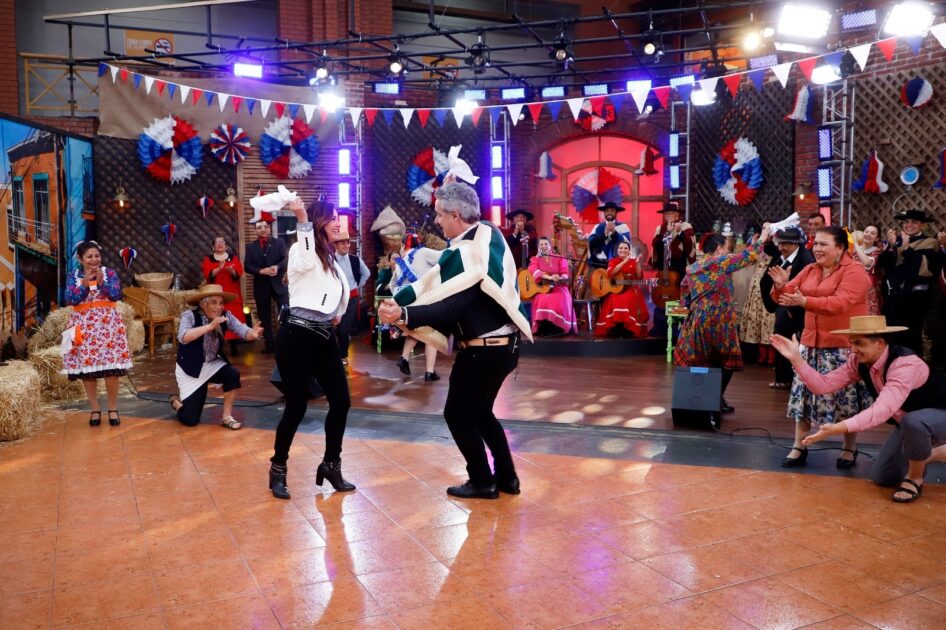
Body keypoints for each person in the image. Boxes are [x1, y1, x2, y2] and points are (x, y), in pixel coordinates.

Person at [378, 177, 533, 500]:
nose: (437, 221)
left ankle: (482, 481)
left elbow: (451, 306)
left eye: (440, 214)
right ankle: (507, 478)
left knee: (457, 415)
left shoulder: (466, 253)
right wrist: (452, 184)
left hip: (482, 352)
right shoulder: (488, 235)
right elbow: (439, 287)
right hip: (505, 348)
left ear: (455, 215)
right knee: (482, 413)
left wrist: (404, 314)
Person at [771, 315, 946, 503]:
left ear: (879, 344)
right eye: (852, 342)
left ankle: (915, 478)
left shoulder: (905, 364)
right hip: (907, 422)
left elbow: (882, 410)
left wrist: (838, 428)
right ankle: (930, 454)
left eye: (859, 343)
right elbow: (824, 385)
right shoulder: (858, 361)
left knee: (914, 422)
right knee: (883, 476)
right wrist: (796, 359)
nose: (853, 349)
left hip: (937, 414)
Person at [268, 197, 354, 500]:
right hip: (297, 336)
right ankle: (278, 467)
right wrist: (301, 217)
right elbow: (305, 261)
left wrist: (337, 311)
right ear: (319, 222)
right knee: (297, 406)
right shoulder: (299, 250)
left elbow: (339, 290)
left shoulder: (330, 257)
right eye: (332, 217)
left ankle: (331, 464)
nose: (337, 222)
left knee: (341, 402)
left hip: (324, 336)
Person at [768, 225, 872, 468]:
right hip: (810, 343)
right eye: (815, 244)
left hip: (842, 345)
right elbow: (786, 296)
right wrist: (782, 285)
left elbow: (840, 303)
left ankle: (849, 448)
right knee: (803, 397)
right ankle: (799, 446)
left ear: (840, 248)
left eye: (824, 244)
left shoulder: (855, 271)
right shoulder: (810, 269)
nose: (817, 249)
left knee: (846, 400)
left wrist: (804, 301)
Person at [673, 226, 772, 414]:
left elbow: (684, 288)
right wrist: (762, 239)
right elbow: (746, 257)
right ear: (718, 248)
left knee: (702, 361)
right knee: (727, 360)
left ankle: (703, 400)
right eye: (726, 248)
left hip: (698, 318)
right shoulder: (720, 262)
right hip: (719, 319)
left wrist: (689, 305)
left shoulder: (693, 267)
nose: (727, 251)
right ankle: (715, 397)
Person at [169, 284, 263, 430]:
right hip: (190, 368)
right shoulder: (189, 315)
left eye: (221, 303)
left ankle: (227, 417)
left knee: (232, 374)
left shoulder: (226, 315)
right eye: (214, 302)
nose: (219, 307)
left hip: (211, 363)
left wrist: (253, 333)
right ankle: (176, 402)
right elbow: (183, 337)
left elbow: (242, 330)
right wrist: (209, 327)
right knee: (190, 419)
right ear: (203, 304)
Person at [61, 241, 133, 427]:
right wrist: (84, 285)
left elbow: (116, 295)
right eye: (89, 256)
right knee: (88, 372)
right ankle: (94, 409)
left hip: (107, 327)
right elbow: (70, 299)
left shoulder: (109, 273)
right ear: (80, 259)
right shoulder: (73, 275)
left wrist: (102, 284)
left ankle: (112, 408)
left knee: (112, 370)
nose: (94, 260)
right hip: (84, 327)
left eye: (96, 256)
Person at [878, 209, 941, 354]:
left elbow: (923, 269)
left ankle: (912, 364)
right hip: (893, 297)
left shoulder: (930, 242)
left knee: (910, 335)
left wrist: (906, 249)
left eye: (914, 222)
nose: (909, 224)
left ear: (923, 225)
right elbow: (883, 264)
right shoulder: (897, 240)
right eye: (906, 222)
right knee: (891, 334)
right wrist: (891, 247)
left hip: (914, 298)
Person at [760, 226, 815, 389]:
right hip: (781, 302)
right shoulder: (781, 255)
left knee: (791, 340)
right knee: (781, 336)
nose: (781, 247)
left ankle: (793, 379)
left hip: (796, 305)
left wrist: (787, 286)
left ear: (796, 244)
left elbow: (807, 286)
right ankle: (782, 378)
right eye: (780, 243)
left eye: (785, 244)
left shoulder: (806, 260)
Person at [392, 233, 443, 380]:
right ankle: (429, 372)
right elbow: (444, 257)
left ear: (403, 245)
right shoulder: (424, 252)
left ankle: (404, 358)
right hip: (426, 300)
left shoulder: (400, 262)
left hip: (408, 304)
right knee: (431, 334)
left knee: (416, 331)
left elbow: (393, 285)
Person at [244, 219, 289, 354]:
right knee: (264, 317)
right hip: (261, 286)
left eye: (265, 227)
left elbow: (285, 259)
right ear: (255, 231)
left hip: (279, 285)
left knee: (286, 314)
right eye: (259, 227)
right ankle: (269, 345)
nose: (263, 229)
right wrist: (260, 271)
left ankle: (286, 343)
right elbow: (247, 266)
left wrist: (278, 267)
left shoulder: (279, 242)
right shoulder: (251, 247)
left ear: (269, 229)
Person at [738, 227, 778, 368]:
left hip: (770, 287)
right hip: (755, 289)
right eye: (764, 229)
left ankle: (771, 356)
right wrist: (755, 244)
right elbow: (747, 260)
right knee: (756, 321)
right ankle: (760, 355)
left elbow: (773, 253)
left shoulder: (778, 247)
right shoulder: (757, 247)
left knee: (769, 321)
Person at [201, 235, 246, 355]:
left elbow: (239, 273)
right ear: (213, 247)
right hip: (216, 294)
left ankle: (234, 346)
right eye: (217, 242)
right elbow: (207, 274)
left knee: (233, 318)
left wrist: (232, 271)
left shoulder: (233, 258)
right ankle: (217, 347)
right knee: (216, 317)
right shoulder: (208, 259)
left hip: (231, 294)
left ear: (225, 245)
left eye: (222, 242)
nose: (220, 244)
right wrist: (218, 269)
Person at [595, 240, 649, 337]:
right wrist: (624, 262)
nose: (623, 250)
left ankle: (627, 328)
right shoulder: (613, 261)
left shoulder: (633, 261)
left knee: (627, 298)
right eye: (621, 248)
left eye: (625, 248)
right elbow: (610, 272)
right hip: (616, 290)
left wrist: (637, 263)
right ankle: (615, 328)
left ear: (629, 251)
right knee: (613, 298)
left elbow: (639, 276)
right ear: (617, 250)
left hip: (630, 289)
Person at [332, 230, 370, 365]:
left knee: (344, 327)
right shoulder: (330, 260)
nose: (347, 245)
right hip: (335, 299)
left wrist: (356, 285)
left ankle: (343, 356)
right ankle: (334, 352)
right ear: (335, 245)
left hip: (352, 298)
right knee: (334, 328)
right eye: (343, 243)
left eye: (348, 242)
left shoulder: (355, 259)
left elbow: (366, 273)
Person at [528, 236, 577, 336]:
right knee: (542, 299)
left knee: (559, 299)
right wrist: (549, 277)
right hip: (542, 288)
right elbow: (533, 270)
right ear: (538, 247)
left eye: (546, 244)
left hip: (558, 287)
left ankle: (557, 328)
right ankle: (544, 328)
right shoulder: (535, 259)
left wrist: (559, 278)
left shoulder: (559, 258)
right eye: (541, 244)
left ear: (550, 246)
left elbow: (565, 273)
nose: (544, 246)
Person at [587, 201, 630, 269]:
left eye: (612, 210)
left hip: (617, 264)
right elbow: (591, 243)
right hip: (598, 263)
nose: (609, 213)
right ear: (604, 212)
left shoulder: (623, 226)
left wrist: (614, 232)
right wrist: (604, 234)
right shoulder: (598, 227)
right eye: (607, 210)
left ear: (616, 212)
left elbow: (626, 244)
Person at [851, 225, 884, 315]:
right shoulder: (852, 250)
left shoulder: (876, 252)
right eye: (866, 231)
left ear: (877, 238)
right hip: (852, 287)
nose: (868, 234)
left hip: (867, 290)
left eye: (872, 233)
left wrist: (856, 244)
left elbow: (867, 263)